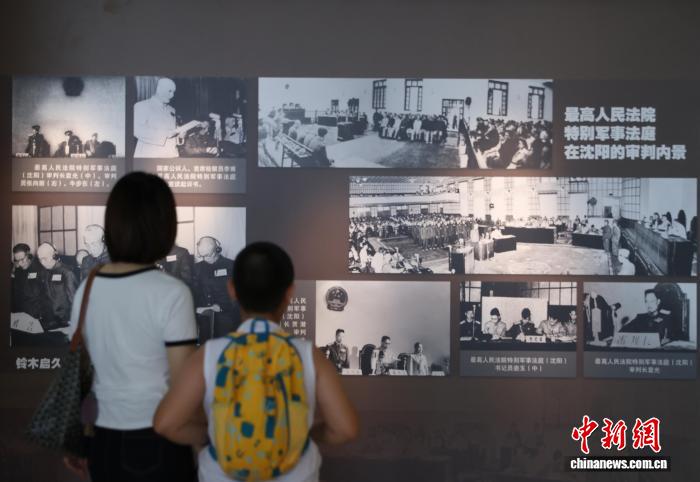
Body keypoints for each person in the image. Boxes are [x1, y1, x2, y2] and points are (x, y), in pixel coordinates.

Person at [153, 242, 359, 482]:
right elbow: (345, 428)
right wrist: (303, 434)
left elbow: (166, 423)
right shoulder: (308, 355)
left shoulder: (209, 354)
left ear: (232, 289)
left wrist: (210, 436)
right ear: (289, 293)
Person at [62, 172, 198, 482]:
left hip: (102, 439)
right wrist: (205, 436)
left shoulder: (88, 287)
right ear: (164, 227)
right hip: (158, 438)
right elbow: (183, 389)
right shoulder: (171, 292)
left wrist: (75, 435)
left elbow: (79, 372)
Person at [193, 236, 241, 342]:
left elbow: (238, 295)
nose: (205, 259)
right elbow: (194, 291)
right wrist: (196, 307)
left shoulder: (232, 266)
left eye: (208, 255)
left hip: (226, 318)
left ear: (217, 250)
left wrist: (222, 307)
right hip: (205, 319)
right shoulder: (197, 268)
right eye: (202, 256)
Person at [133, 78, 186, 158]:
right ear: (159, 89)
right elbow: (137, 130)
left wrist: (180, 135)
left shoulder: (172, 109)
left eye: (173, 92)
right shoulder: (142, 106)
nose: (172, 95)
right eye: (169, 91)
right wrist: (164, 134)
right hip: (150, 156)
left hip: (171, 155)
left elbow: (172, 133)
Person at [37, 243, 78, 331]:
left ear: (54, 256)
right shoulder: (43, 272)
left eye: (45, 258)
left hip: (64, 322)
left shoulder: (67, 272)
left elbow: (74, 300)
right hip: (49, 321)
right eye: (40, 259)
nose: (42, 262)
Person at [10, 243, 44, 320]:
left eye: (22, 259)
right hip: (21, 314)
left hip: (36, 315)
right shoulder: (18, 271)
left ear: (28, 254)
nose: (20, 263)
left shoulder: (40, 269)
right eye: (17, 260)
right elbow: (16, 295)